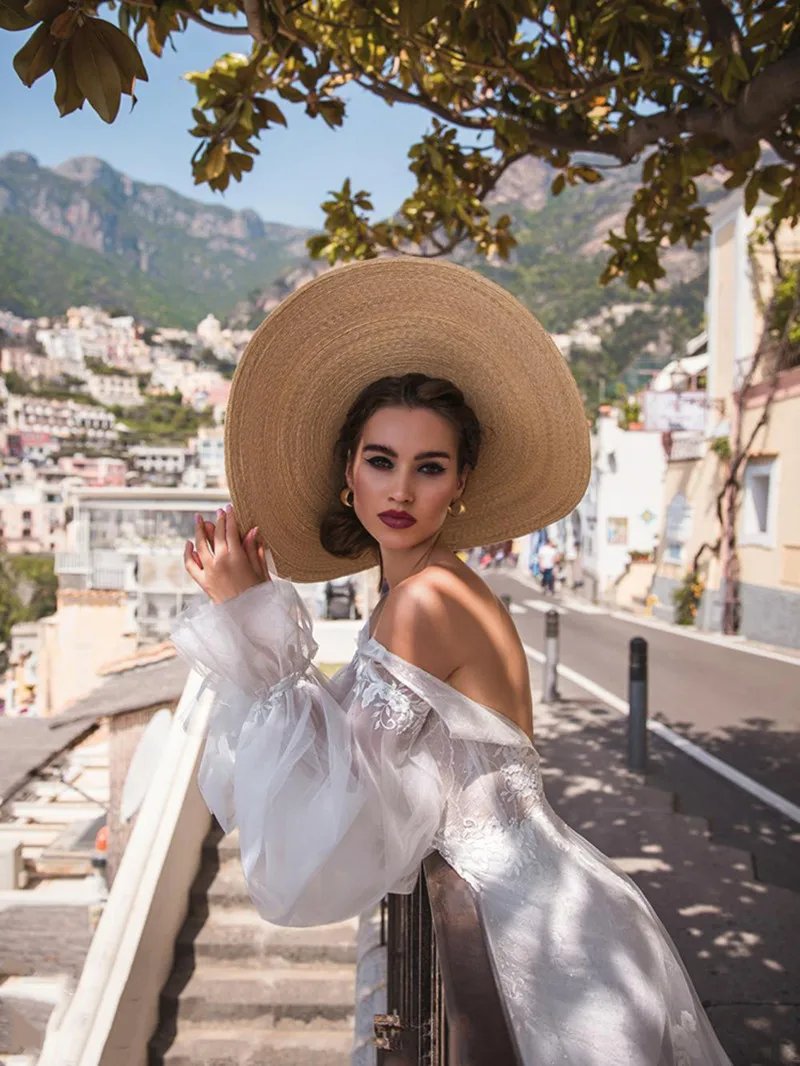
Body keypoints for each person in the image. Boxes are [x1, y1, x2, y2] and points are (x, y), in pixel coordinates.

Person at [173, 259, 732, 1066]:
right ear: (348, 475)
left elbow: (331, 804)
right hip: (553, 918)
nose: (400, 489)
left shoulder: (424, 604)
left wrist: (249, 622)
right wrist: (254, 622)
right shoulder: (423, 591)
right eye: (381, 460)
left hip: (533, 942)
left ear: (459, 483)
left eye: (429, 467)